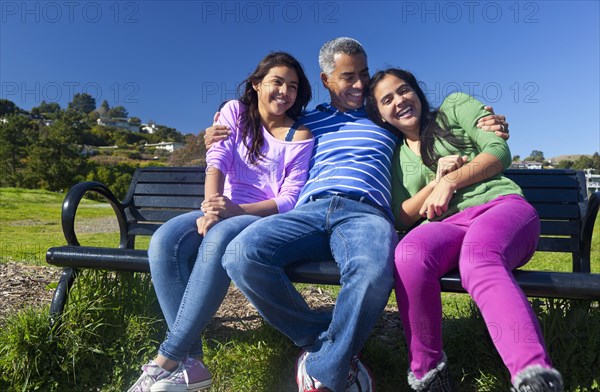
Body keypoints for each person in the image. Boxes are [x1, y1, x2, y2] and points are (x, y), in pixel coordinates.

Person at [202, 38, 510, 392]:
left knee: (372, 270)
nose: (361, 84)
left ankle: (324, 370)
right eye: (348, 77)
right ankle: (326, 339)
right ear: (326, 80)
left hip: (366, 213)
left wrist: (488, 121)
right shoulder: (305, 119)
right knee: (240, 255)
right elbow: (260, 126)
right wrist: (217, 131)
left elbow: (430, 118)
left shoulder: (383, 114)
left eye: (364, 73)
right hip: (310, 209)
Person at [365, 68, 563, 392]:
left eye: (403, 90)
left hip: (499, 206)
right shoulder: (395, 156)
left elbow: (498, 151)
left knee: (478, 258)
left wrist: (454, 180)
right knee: (408, 256)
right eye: (387, 100)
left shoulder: (453, 108)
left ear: (416, 90)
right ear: (381, 115)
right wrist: (436, 182)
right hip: (446, 224)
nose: (399, 101)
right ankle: (429, 376)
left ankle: (534, 376)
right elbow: (402, 216)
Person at [128, 51, 315, 392]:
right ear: (257, 84)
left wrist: (232, 213)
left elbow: (288, 200)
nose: (284, 91)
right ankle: (192, 364)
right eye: (277, 82)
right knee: (164, 241)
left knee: (218, 238)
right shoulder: (234, 112)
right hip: (221, 206)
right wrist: (212, 208)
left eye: (293, 86)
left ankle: (167, 360)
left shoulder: (298, 135)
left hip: (260, 216)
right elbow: (217, 161)